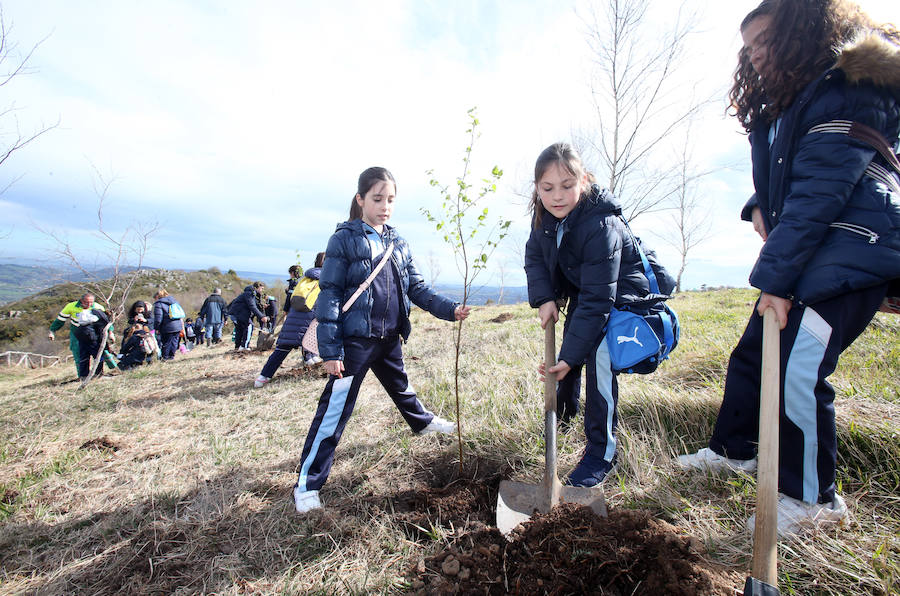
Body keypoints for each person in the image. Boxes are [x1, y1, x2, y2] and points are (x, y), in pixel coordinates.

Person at [677, 0, 900, 537]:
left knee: (799, 369)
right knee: (754, 355)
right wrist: (758, 201)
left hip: (850, 250)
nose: (755, 54)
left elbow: (821, 192)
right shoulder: (792, 101)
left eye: (765, 40)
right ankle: (736, 450)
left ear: (802, 32)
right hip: (809, 249)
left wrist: (774, 280)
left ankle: (812, 499)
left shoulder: (846, 88)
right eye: (748, 45)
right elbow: (792, 176)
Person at [291, 167, 471, 514]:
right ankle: (307, 484)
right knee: (334, 411)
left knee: (401, 387)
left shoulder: (398, 242)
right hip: (354, 342)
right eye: (377, 199)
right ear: (360, 200)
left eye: (390, 199)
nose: (385, 206)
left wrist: (450, 310)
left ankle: (422, 422)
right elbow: (328, 295)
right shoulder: (343, 239)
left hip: (389, 338)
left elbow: (416, 288)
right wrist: (330, 350)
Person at [524, 143, 676, 488]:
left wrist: (571, 355)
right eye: (547, 188)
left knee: (597, 359)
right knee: (568, 356)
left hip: (625, 300)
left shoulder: (600, 224)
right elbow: (534, 255)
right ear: (537, 188)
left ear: (585, 181)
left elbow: (597, 302)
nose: (557, 196)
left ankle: (601, 454)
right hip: (588, 292)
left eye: (567, 186)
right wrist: (545, 297)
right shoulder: (545, 218)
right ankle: (562, 417)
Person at [255, 252, 326, 388]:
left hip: (295, 316)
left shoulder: (305, 279)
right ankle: (314, 363)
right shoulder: (326, 279)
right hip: (310, 317)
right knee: (312, 341)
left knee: (282, 348)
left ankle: (263, 377)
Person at [48, 292, 102, 377]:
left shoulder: (98, 307)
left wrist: (110, 333)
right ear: (81, 301)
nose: (89, 304)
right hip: (77, 334)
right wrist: (52, 331)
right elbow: (60, 321)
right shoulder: (71, 306)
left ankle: (99, 374)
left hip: (93, 334)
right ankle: (83, 376)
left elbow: (105, 321)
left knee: (99, 353)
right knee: (79, 354)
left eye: (91, 302)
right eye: (86, 302)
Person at [228, 282, 269, 351]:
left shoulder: (251, 294)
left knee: (240, 329)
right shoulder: (250, 294)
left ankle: (238, 347)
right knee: (249, 326)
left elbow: (256, 306)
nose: (262, 290)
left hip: (235, 313)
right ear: (257, 287)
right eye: (261, 288)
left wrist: (262, 314)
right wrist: (261, 317)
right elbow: (252, 306)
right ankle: (244, 346)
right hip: (239, 313)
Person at [152, 289, 185, 360]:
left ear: (157, 297)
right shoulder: (174, 301)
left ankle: (165, 357)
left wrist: (156, 328)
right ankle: (171, 356)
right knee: (174, 342)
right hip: (177, 325)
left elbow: (158, 318)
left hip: (166, 326)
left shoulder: (159, 304)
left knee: (166, 342)